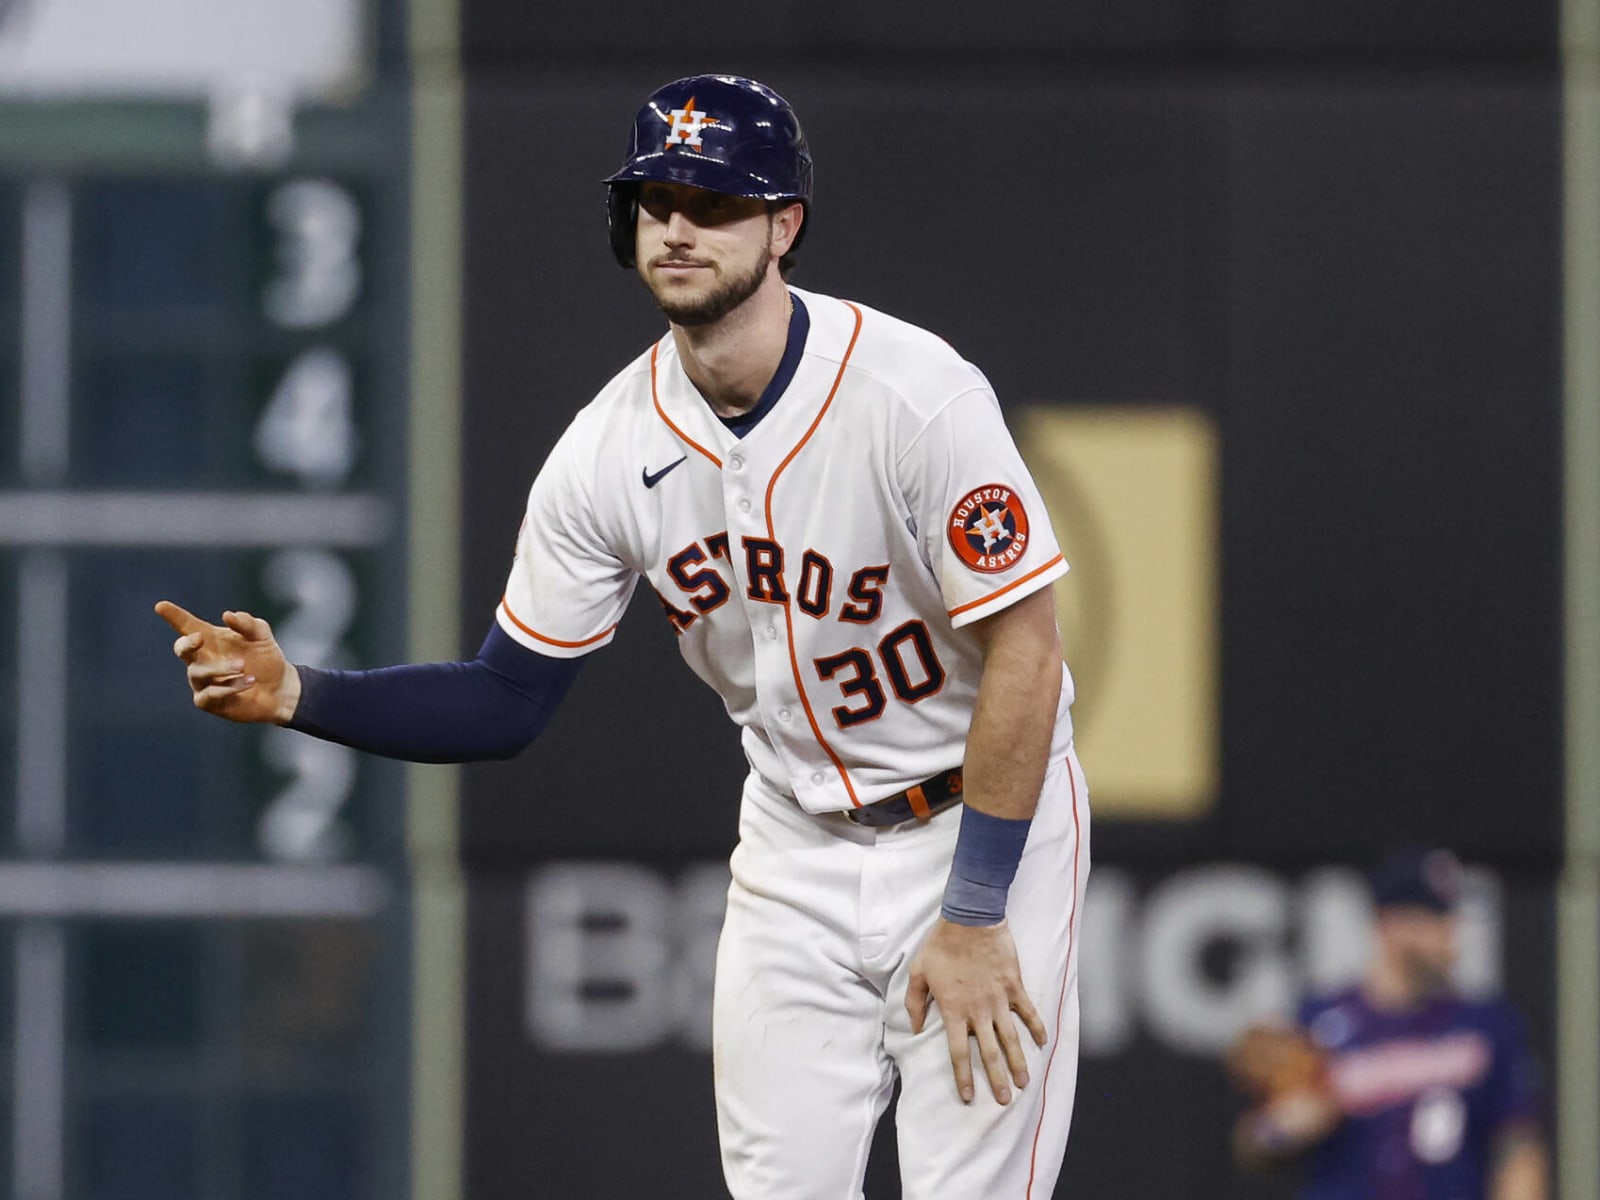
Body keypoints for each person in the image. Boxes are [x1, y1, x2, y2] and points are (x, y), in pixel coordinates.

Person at [157, 74, 1090, 1199]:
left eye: (713, 201)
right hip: (794, 843)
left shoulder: (914, 397)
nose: (679, 228)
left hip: (977, 826)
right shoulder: (606, 452)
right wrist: (303, 691)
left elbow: (1028, 655)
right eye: (656, 202)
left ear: (784, 226)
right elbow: (505, 699)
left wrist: (979, 912)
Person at [1231, 847, 1548, 1200]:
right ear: (1390, 925)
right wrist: (1282, 1129)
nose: (1452, 937)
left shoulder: (1487, 1025)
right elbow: (1253, 1147)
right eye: (1436, 920)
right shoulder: (1318, 1020)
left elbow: (1519, 1148)